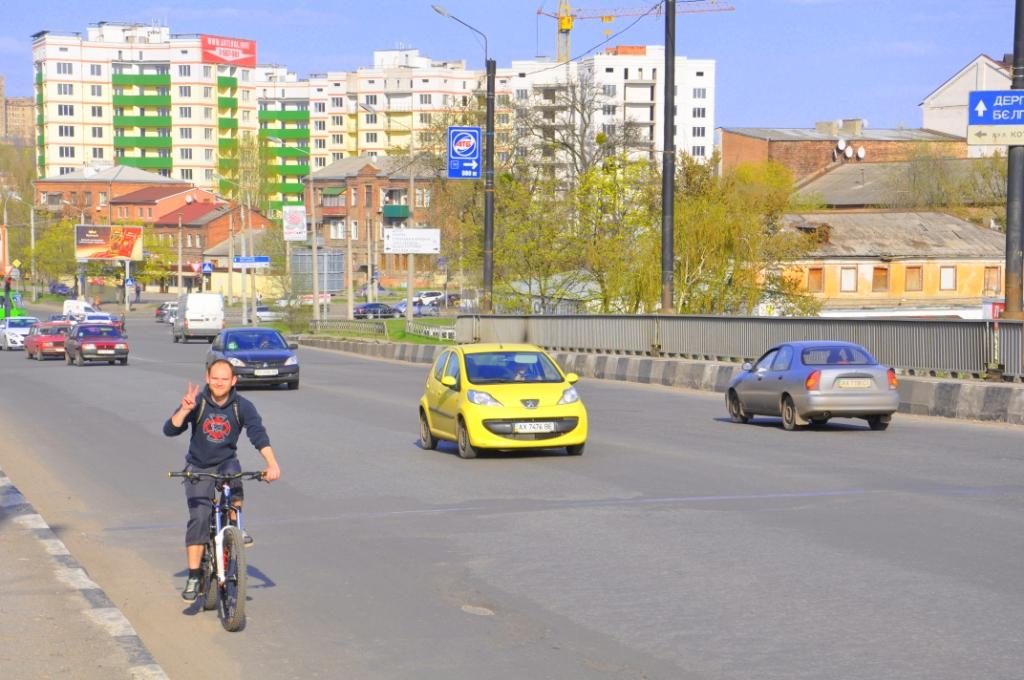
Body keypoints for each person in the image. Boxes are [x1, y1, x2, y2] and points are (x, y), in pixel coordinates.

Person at [163, 359, 281, 601]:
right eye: (215, 377)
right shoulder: (197, 402)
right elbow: (170, 429)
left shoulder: (242, 406)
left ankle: (236, 528)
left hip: (226, 462)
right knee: (199, 518)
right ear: (207, 378)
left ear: (233, 381)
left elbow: (258, 434)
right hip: (198, 466)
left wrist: (272, 464)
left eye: (224, 378)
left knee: (234, 485)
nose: (219, 382)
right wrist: (184, 409)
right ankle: (195, 575)